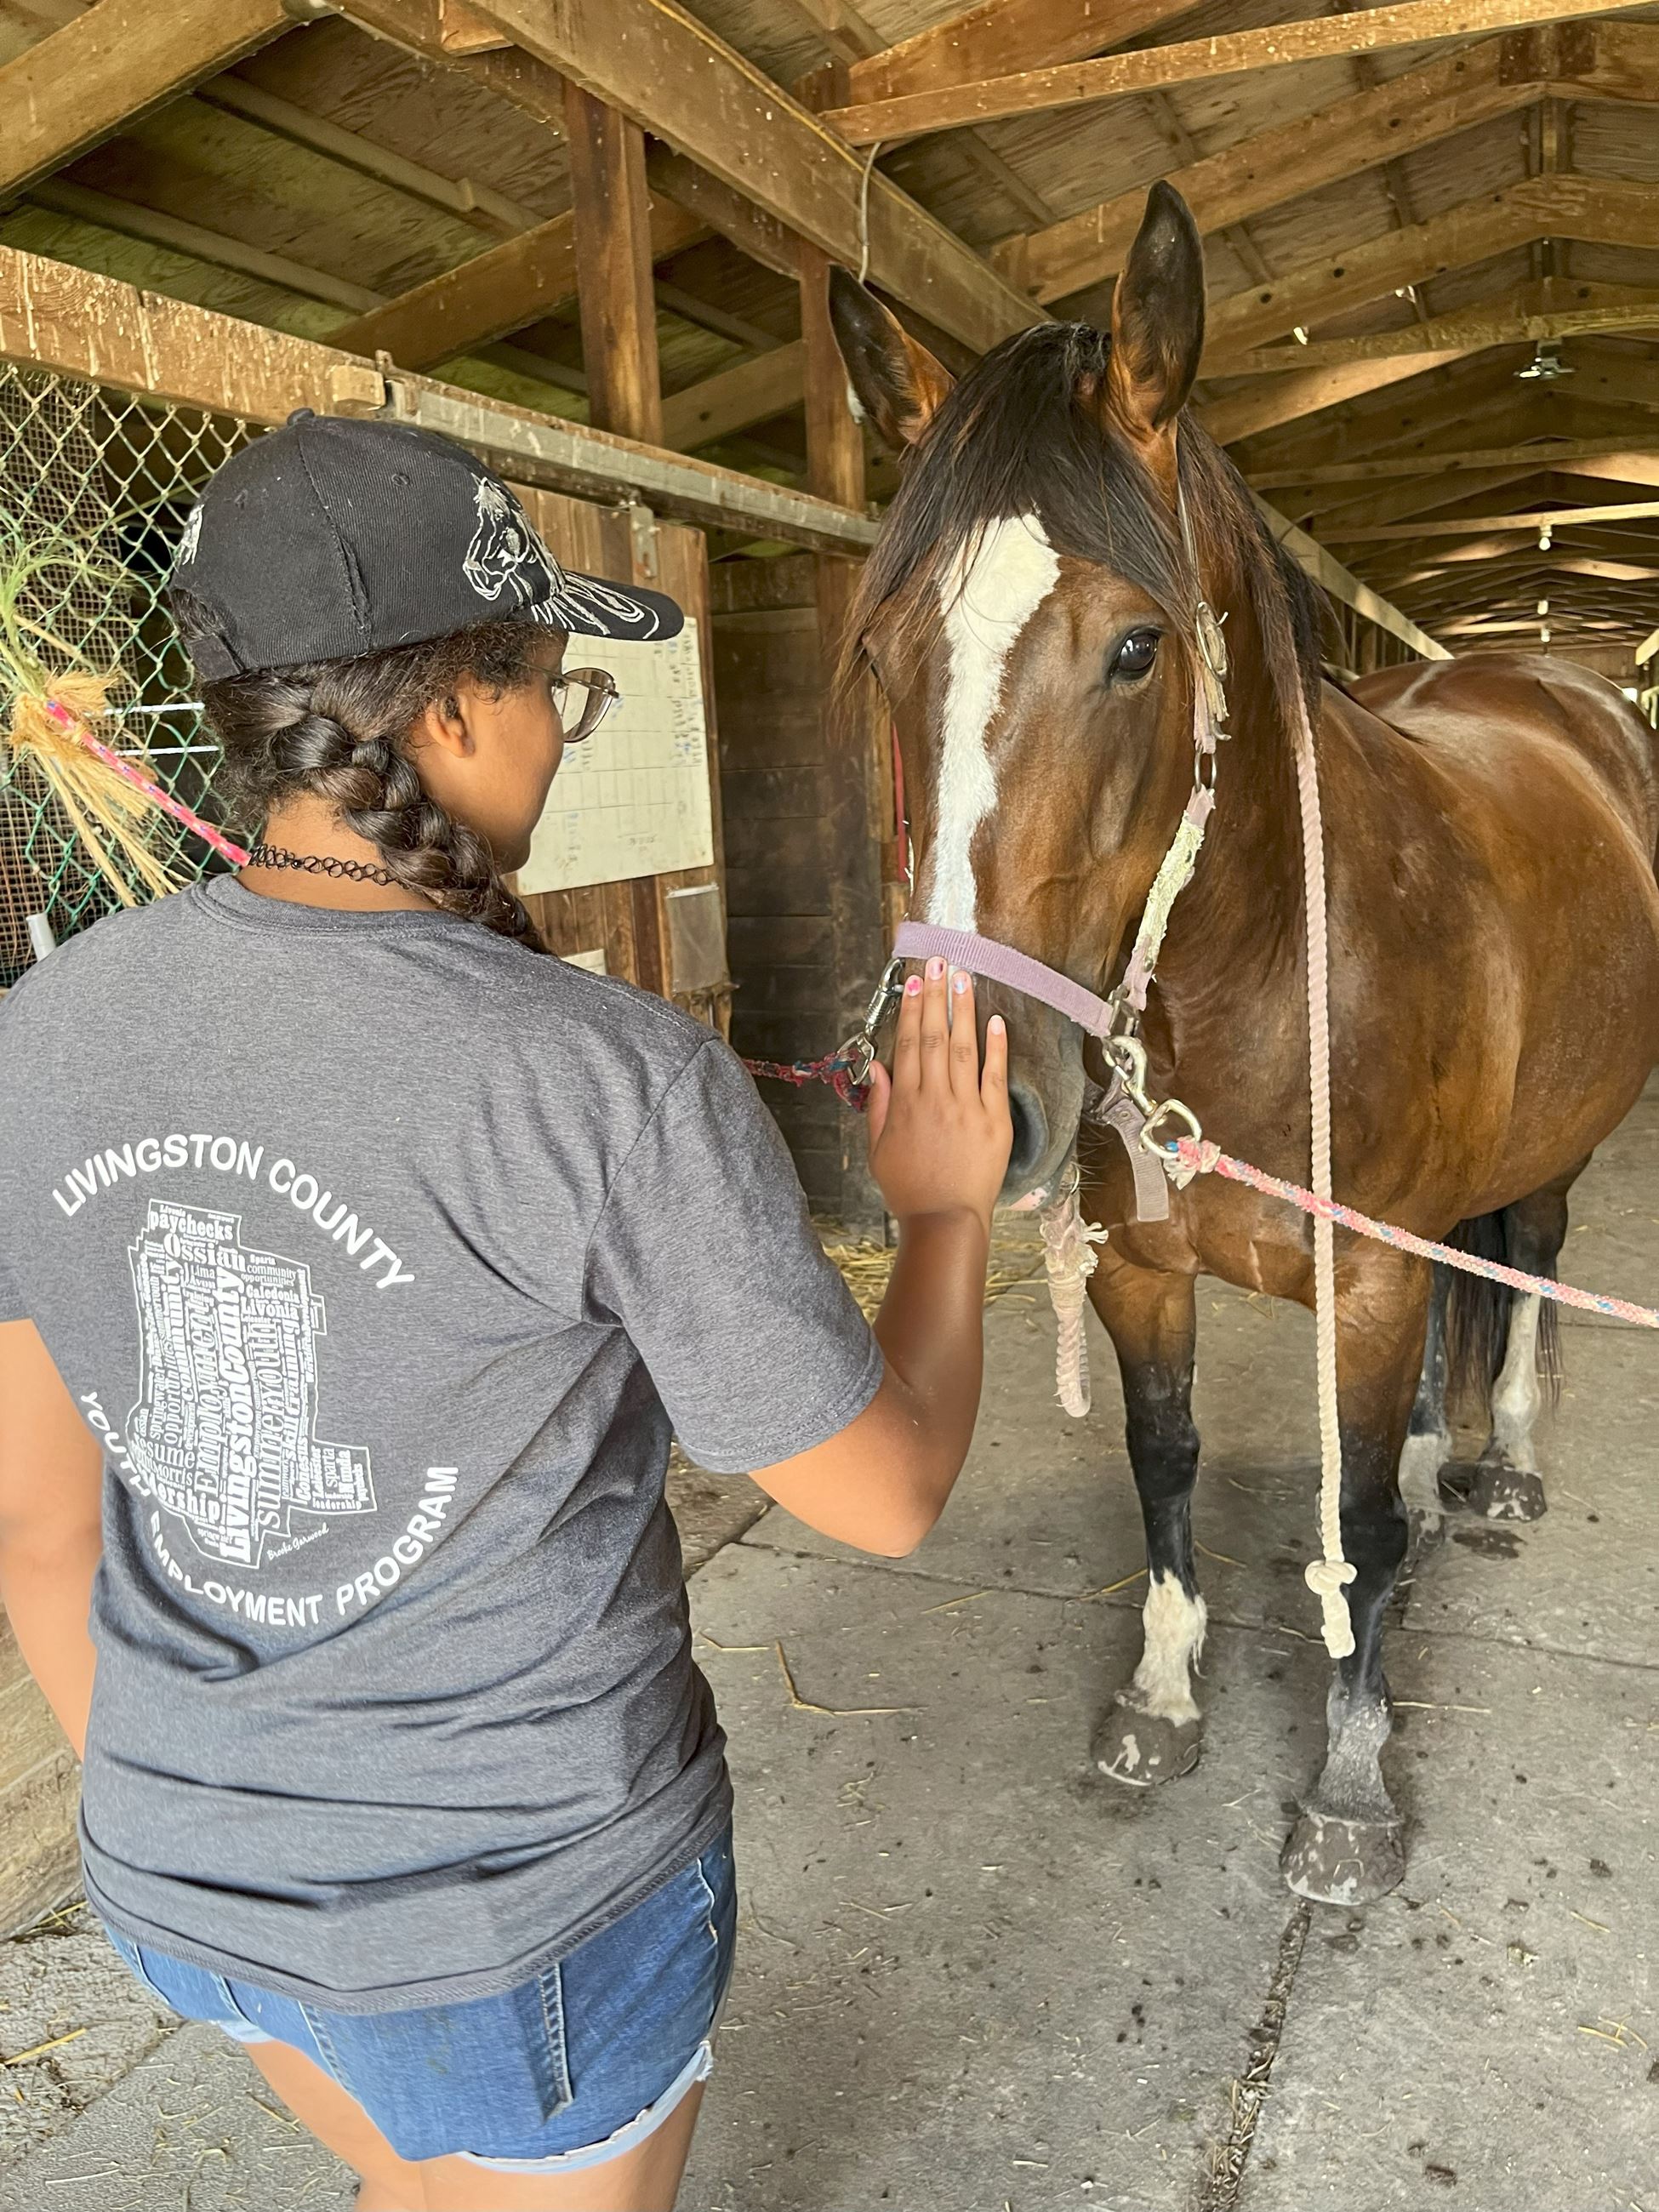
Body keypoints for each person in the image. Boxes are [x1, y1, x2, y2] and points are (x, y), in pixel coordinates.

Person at [0, 414, 1012, 2211]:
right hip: (515, 1930)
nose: (561, 724)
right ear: (459, 711)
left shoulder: (41, 1030)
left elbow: (32, 1530)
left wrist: (223, 1818)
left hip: (173, 1880)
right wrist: (942, 1217)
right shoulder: (604, 1074)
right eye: (560, 684)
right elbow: (884, 1492)